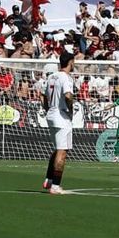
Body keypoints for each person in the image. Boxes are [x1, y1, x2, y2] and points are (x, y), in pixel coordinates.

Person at [41, 51, 78, 195]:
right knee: (62, 152)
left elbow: (42, 95)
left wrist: (48, 109)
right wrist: (70, 110)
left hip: (51, 115)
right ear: (71, 62)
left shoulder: (51, 76)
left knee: (57, 149)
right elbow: (68, 95)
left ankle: (49, 179)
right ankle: (55, 185)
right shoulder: (66, 78)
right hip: (62, 117)